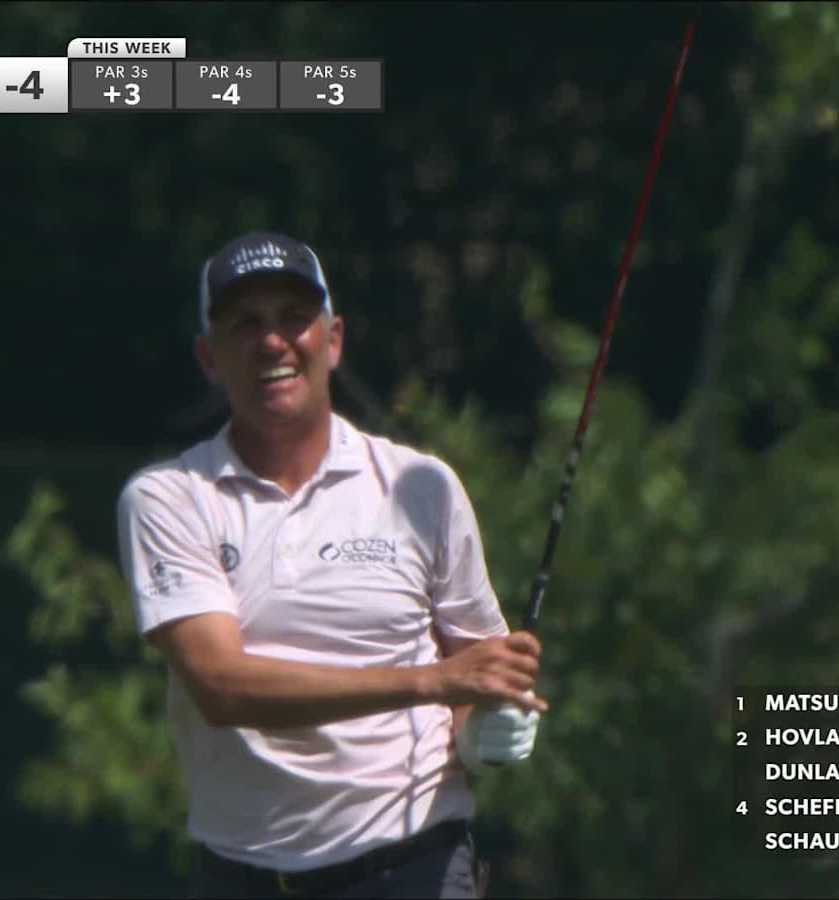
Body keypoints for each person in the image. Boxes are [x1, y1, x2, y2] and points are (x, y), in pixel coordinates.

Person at [117, 231, 548, 899]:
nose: (272, 342)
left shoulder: (422, 486)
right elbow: (222, 688)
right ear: (210, 357)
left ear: (335, 339)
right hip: (246, 877)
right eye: (245, 324)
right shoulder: (168, 498)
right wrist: (434, 682)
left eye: (294, 318)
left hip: (415, 868)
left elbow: (476, 674)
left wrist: (483, 731)